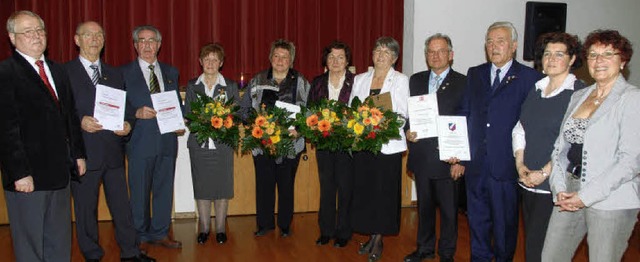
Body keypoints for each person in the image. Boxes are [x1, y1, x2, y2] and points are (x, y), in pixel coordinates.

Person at [541, 29, 640, 262]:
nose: (599, 60)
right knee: (551, 257)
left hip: (611, 199)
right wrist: (559, 187)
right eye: (593, 55)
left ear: (623, 60)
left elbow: (630, 161)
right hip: (569, 190)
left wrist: (586, 196)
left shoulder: (632, 98)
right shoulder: (579, 96)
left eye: (608, 54)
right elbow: (560, 148)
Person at [64, 21, 155, 262]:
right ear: (77, 40)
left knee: (122, 208)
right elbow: (59, 112)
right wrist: (80, 120)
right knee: (85, 210)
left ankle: (131, 252)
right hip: (84, 152)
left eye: (99, 35)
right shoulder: (64, 73)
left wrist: (128, 125)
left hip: (113, 151)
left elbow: (125, 110)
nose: (94, 39)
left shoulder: (114, 73)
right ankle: (92, 254)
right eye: (88, 35)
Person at [0, 10, 86, 261]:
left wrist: (79, 154)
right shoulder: (5, 72)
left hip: (60, 173)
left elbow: (70, 116)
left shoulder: (58, 71)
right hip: (29, 177)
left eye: (40, 30)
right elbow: (6, 129)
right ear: (12, 38)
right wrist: (19, 173)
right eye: (28, 32)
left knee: (58, 239)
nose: (37, 36)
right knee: (31, 244)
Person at [456, 21, 542, 262]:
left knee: (505, 226)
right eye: (490, 41)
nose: (493, 46)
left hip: (506, 165)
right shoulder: (475, 73)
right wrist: (459, 152)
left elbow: (532, 125)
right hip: (476, 166)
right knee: (477, 221)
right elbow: (465, 113)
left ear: (513, 46)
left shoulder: (530, 78)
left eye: (500, 41)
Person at [511, 32, 584, 262]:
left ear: (572, 59)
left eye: (559, 54)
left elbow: (572, 143)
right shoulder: (537, 88)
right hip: (528, 181)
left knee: (549, 250)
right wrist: (520, 165)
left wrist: (543, 173)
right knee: (532, 244)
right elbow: (520, 129)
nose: (551, 59)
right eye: (547, 54)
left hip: (555, 184)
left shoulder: (580, 94)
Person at [404, 33, 466, 262]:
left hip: (449, 159)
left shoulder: (463, 82)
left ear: (450, 55)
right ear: (426, 55)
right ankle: (424, 249)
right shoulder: (416, 80)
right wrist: (407, 131)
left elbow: (466, 121)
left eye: (440, 51)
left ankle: (447, 253)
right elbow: (409, 115)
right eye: (431, 51)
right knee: (424, 209)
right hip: (422, 157)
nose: (435, 55)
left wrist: (460, 160)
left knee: (449, 212)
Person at [240, 39, 310, 237]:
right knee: (264, 185)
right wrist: (253, 124)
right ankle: (264, 224)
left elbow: (309, 111)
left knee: (286, 186)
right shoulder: (257, 80)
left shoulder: (301, 82)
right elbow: (245, 109)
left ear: (291, 61)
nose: (280, 60)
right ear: (270, 58)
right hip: (261, 144)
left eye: (285, 57)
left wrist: (299, 129)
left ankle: (285, 225)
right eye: (277, 56)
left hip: (291, 143)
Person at [121, 24, 183, 249]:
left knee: (164, 190)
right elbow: (120, 107)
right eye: (142, 41)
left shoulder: (171, 72)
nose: (147, 45)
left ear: (159, 45)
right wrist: (135, 113)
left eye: (151, 41)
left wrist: (180, 121)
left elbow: (176, 103)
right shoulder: (123, 73)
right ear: (136, 45)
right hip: (139, 142)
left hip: (167, 141)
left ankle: (160, 232)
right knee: (138, 191)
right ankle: (139, 234)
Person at [349, 36, 409, 261]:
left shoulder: (401, 80)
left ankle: (379, 239)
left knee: (384, 193)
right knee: (366, 192)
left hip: (387, 145)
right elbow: (352, 108)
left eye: (386, 51)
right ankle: (371, 235)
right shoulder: (360, 79)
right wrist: (359, 124)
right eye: (377, 50)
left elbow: (402, 112)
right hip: (364, 144)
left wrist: (380, 123)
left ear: (394, 58)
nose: (381, 55)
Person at [184, 43, 239, 245]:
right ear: (200, 61)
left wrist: (225, 122)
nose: (210, 63)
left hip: (222, 145)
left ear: (221, 63)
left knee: (222, 187)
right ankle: (205, 228)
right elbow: (187, 114)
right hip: (199, 144)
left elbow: (237, 113)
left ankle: (221, 228)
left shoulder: (230, 86)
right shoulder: (192, 86)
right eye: (206, 59)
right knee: (202, 187)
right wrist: (202, 122)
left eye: (215, 59)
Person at [308, 41, 355, 248]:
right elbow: (309, 111)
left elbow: (361, 110)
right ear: (325, 60)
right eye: (331, 57)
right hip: (325, 143)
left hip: (347, 145)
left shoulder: (356, 82)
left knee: (346, 188)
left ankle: (344, 232)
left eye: (340, 57)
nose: (336, 61)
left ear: (347, 61)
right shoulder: (317, 82)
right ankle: (326, 231)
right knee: (327, 188)